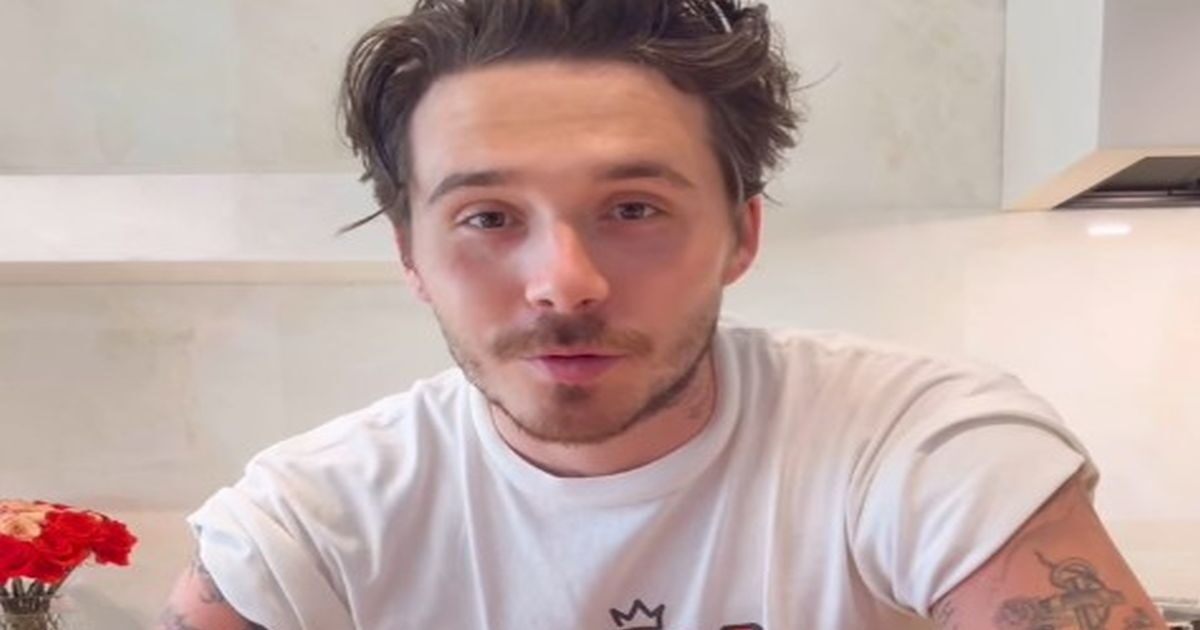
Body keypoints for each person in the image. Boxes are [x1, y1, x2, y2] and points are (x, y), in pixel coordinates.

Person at [157, 1, 1168, 628]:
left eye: (633, 209)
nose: (565, 283)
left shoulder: (915, 445)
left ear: (740, 235)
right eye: (488, 217)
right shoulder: (311, 520)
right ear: (410, 254)